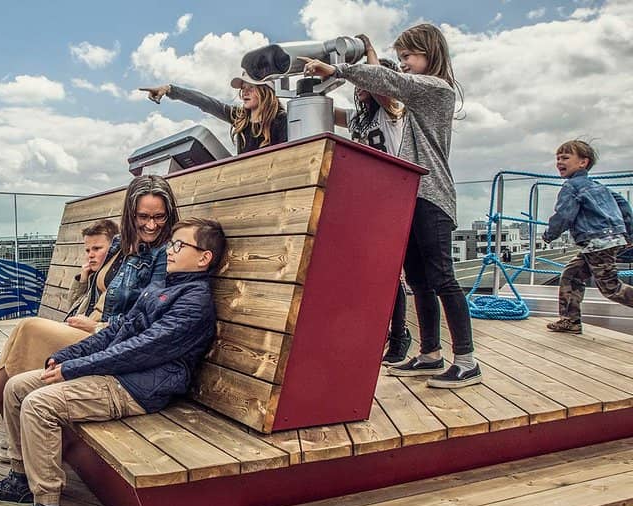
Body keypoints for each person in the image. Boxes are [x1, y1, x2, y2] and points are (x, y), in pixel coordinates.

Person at [0, 218, 226, 506]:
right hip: (117, 373)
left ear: (204, 258)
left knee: (40, 404)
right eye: (171, 243)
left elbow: (142, 349)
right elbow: (116, 333)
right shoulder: (163, 285)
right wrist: (65, 356)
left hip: (137, 387)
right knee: (16, 386)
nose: (170, 250)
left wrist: (75, 368)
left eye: (180, 245)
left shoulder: (194, 302)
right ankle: (20, 480)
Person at [301, 23, 481, 388]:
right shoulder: (416, 94)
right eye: (399, 59)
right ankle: (431, 353)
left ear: (431, 54)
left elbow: (393, 85)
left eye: (408, 57)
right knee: (418, 281)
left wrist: (338, 69)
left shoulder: (437, 89)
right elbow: (392, 85)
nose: (403, 65)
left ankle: (467, 360)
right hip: (410, 196)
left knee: (443, 278)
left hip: (432, 195)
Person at [0, 175, 179, 436]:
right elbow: (97, 294)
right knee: (20, 337)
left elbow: (150, 315)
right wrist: (85, 280)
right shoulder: (122, 245)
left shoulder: (165, 253)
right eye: (143, 217)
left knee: (28, 329)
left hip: (109, 337)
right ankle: (0, 428)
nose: (151, 225)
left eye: (159, 217)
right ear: (130, 214)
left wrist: (99, 326)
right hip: (90, 327)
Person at [333, 35, 410, 365]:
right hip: (363, 200)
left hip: (391, 197)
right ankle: (371, 334)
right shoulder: (357, 117)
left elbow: (380, 82)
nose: (360, 84)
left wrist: (367, 53)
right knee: (365, 272)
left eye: (368, 77)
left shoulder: (392, 111)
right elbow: (325, 111)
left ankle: (400, 334)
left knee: (391, 273)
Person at [542, 140, 633, 334]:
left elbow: (564, 215)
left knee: (611, 288)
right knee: (572, 275)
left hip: (597, 242)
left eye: (565, 158)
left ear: (583, 162)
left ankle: (570, 319)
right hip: (608, 240)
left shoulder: (571, 187)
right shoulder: (599, 187)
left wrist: (550, 234)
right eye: (558, 158)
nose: (559, 162)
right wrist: (629, 233)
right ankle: (570, 320)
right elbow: (624, 206)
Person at [140, 46, 289, 154]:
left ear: (266, 91)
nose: (244, 92)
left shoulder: (282, 120)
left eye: (251, 87)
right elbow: (205, 102)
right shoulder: (239, 117)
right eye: (243, 87)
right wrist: (169, 89)